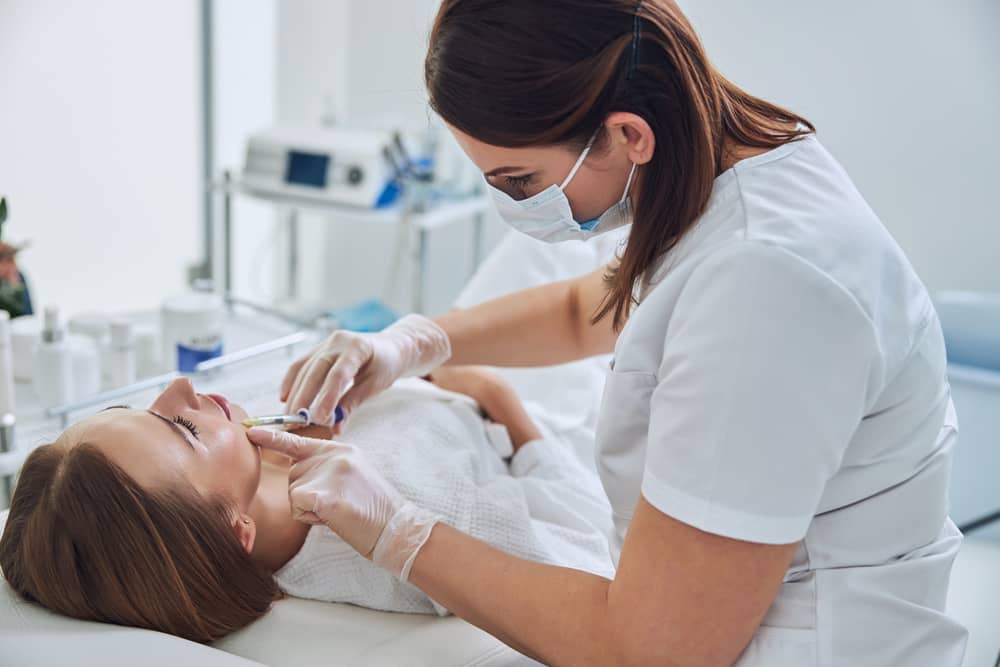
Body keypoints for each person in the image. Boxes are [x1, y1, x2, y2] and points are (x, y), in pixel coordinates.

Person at [264, 1, 969, 665]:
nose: (511, 204)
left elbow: (650, 651)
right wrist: (413, 342)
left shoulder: (768, 288)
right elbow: (592, 307)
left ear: (627, 134)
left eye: (518, 181)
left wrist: (400, 530)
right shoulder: (736, 168)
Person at [0, 371, 613, 643]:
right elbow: (588, 548)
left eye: (138, 406)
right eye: (181, 427)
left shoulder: (248, 439)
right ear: (230, 528)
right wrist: (499, 397)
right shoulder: (396, 545)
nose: (181, 387)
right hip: (552, 416)